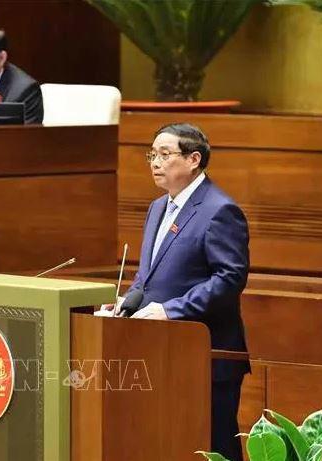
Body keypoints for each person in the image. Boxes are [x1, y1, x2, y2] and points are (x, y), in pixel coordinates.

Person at [101, 123, 250, 461]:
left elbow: (229, 278)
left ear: (194, 159)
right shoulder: (157, 207)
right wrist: (127, 303)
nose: (155, 162)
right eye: (151, 155)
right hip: (160, 351)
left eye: (164, 155)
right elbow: (148, 275)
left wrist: (171, 310)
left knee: (215, 444)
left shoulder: (220, 210)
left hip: (206, 354)